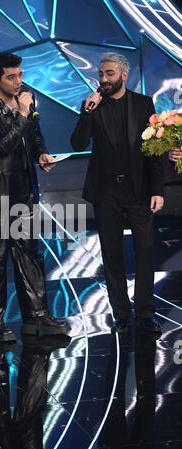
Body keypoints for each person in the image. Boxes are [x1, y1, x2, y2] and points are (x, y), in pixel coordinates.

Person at [0, 52, 69, 342]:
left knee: (29, 251)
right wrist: (22, 115)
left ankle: (37, 316)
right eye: (11, 77)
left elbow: (34, 134)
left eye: (20, 75)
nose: (18, 81)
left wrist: (40, 154)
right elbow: (2, 146)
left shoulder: (26, 97)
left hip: (23, 186)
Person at [71, 53, 164, 334]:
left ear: (123, 75)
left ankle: (145, 311)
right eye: (101, 74)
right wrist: (87, 111)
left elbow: (154, 152)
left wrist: (157, 190)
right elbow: (77, 144)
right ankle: (121, 313)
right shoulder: (92, 106)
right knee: (111, 254)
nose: (103, 80)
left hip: (138, 190)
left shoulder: (143, 104)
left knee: (146, 250)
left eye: (109, 74)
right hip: (106, 191)